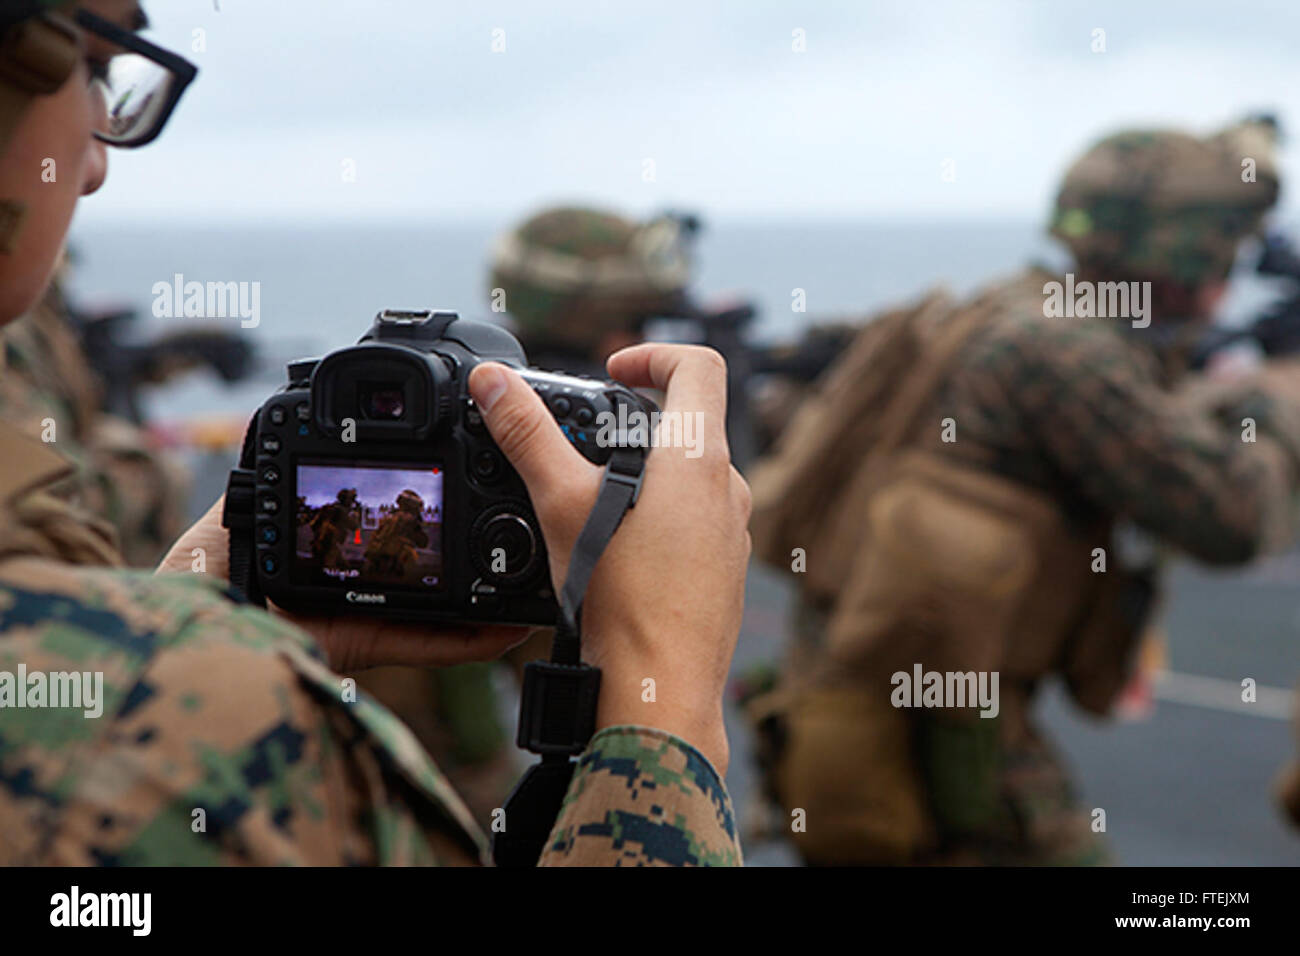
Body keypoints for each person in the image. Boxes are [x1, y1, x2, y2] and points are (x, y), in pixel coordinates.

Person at [0, 0, 750, 866]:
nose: (94, 161)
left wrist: (179, 620)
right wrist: (668, 709)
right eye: (92, 69)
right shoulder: (191, 732)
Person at [748, 117, 1300, 865]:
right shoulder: (1066, 352)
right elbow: (1231, 519)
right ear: (1180, 257)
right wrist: (1272, 407)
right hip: (936, 732)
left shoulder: (1012, 308)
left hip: (871, 695)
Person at [362, 489, 428, 581]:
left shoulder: (389, 518)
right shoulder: (410, 521)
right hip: (394, 563)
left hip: (376, 561)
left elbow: (375, 539)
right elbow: (423, 543)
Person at [309, 487, 359, 573]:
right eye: (350, 500)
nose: (352, 502)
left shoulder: (329, 508)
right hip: (329, 546)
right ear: (346, 500)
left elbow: (313, 524)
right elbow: (354, 527)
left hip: (321, 543)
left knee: (344, 566)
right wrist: (356, 515)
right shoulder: (341, 512)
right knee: (329, 570)